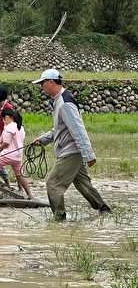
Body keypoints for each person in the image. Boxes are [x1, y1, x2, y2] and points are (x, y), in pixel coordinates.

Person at [32, 69, 111, 221]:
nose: (41, 87)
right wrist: (43, 139)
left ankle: (59, 219)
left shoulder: (65, 103)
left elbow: (78, 130)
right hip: (72, 150)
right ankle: (104, 210)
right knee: (83, 185)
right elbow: (59, 129)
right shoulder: (59, 101)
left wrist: (89, 155)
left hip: (71, 151)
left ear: (51, 82)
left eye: (42, 83)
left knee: (53, 184)